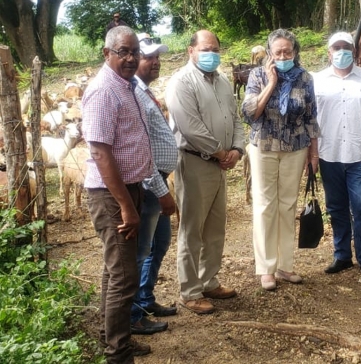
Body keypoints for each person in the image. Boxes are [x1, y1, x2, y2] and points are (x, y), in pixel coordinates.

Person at [82, 26, 153, 363]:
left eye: (134, 52)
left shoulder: (124, 86)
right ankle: (118, 355)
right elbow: (100, 153)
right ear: (106, 52)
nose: (130, 58)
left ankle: (114, 339)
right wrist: (126, 205)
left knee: (115, 272)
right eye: (123, 51)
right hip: (112, 195)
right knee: (124, 278)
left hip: (128, 189)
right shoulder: (103, 91)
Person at [165, 29, 244, 315]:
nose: (211, 54)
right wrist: (221, 153)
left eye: (215, 49)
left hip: (221, 164)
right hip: (195, 162)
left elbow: (234, 117)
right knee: (192, 229)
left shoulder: (222, 81)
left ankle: (209, 281)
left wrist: (237, 148)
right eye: (205, 49)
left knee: (215, 227)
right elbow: (190, 127)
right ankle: (190, 291)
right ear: (191, 51)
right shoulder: (181, 83)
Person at [241, 29, 320, 291]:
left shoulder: (305, 78)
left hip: (296, 148)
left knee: (287, 205)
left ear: (295, 52)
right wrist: (272, 83)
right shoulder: (257, 75)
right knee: (265, 206)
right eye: (278, 52)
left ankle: (285, 265)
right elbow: (251, 113)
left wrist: (313, 152)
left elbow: (311, 117)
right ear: (270, 54)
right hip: (263, 146)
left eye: (288, 51)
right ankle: (266, 268)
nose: (283, 55)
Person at [313, 31, 361, 282]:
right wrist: (311, 152)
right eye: (336, 47)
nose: (341, 51)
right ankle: (342, 255)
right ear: (329, 52)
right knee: (336, 208)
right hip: (329, 154)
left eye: (346, 47)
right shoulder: (318, 81)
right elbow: (310, 120)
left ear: (355, 51)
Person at [129, 34, 178, 334]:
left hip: (159, 180)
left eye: (157, 56)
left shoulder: (145, 91)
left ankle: (145, 299)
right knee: (141, 250)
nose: (155, 61)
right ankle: (133, 315)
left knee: (159, 243)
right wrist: (162, 192)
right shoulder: (134, 94)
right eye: (149, 57)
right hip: (150, 184)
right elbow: (140, 152)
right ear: (135, 60)